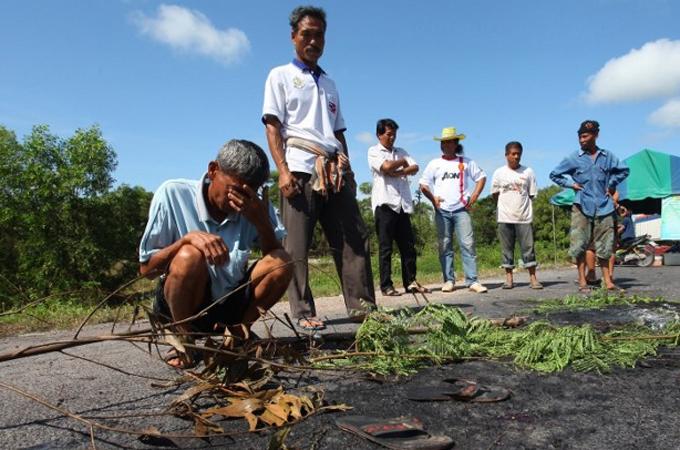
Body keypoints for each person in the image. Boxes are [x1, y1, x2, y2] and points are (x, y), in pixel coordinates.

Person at [262, 6, 375, 331]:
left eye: (319, 35)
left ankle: (362, 307)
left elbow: (338, 132)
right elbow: (272, 126)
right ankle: (302, 311)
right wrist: (283, 170)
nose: (313, 41)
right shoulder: (280, 75)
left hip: (335, 170)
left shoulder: (329, 83)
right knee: (297, 244)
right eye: (306, 34)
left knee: (354, 238)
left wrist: (348, 172)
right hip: (299, 167)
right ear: (293, 37)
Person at [139, 139, 293, 368]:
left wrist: (261, 222)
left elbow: (275, 259)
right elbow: (146, 270)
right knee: (188, 255)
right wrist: (186, 240)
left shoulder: (254, 204)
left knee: (282, 262)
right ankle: (185, 341)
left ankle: (237, 336)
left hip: (230, 307)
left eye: (250, 192)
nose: (240, 200)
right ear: (213, 170)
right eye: (235, 190)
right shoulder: (173, 194)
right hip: (182, 307)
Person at [550, 120, 629, 293]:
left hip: (604, 206)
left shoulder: (607, 157)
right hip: (582, 205)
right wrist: (571, 184)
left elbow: (624, 170)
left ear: (596, 135)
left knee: (606, 245)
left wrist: (611, 184)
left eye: (585, 136)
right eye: (580, 137)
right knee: (580, 244)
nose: (582, 140)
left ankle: (608, 282)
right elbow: (554, 174)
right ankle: (582, 281)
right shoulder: (573, 158)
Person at [419, 127, 488, 293]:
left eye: (450, 142)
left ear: (456, 144)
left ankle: (472, 281)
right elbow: (423, 184)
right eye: (444, 142)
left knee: (468, 243)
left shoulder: (466, 162)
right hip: (442, 210)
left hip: (461, 209)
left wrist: (475, 196)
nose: (447, 145)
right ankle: (449, 280)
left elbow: (481, 177)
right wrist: (433, 199)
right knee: (444, 245)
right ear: (441, 145)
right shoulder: (434, 164)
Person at [368, 118, 429, 296]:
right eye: (388, 134)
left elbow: (415, 167)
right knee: (386, 248)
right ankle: (386, 286)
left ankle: (410, 282)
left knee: (408, 246)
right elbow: (386, 166)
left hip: (403, 204)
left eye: (394, 134)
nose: (392, 137)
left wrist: (398, 172)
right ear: (379, 135)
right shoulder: (374, 151)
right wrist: (402, 162)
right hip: (385, 203)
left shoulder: (401, 151)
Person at [491, 141, 542, 289]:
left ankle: (533, 278)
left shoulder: (528, 172)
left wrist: (521, 205)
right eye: (513, 154)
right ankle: (509, 279)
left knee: (528, 248)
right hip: (504, 217)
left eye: (518, 154)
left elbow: (531, 194)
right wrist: (504, 206)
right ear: (506, 155)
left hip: (523, 217)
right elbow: (495, 194)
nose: (516, 157)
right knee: (507, 249)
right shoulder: (499, 173)